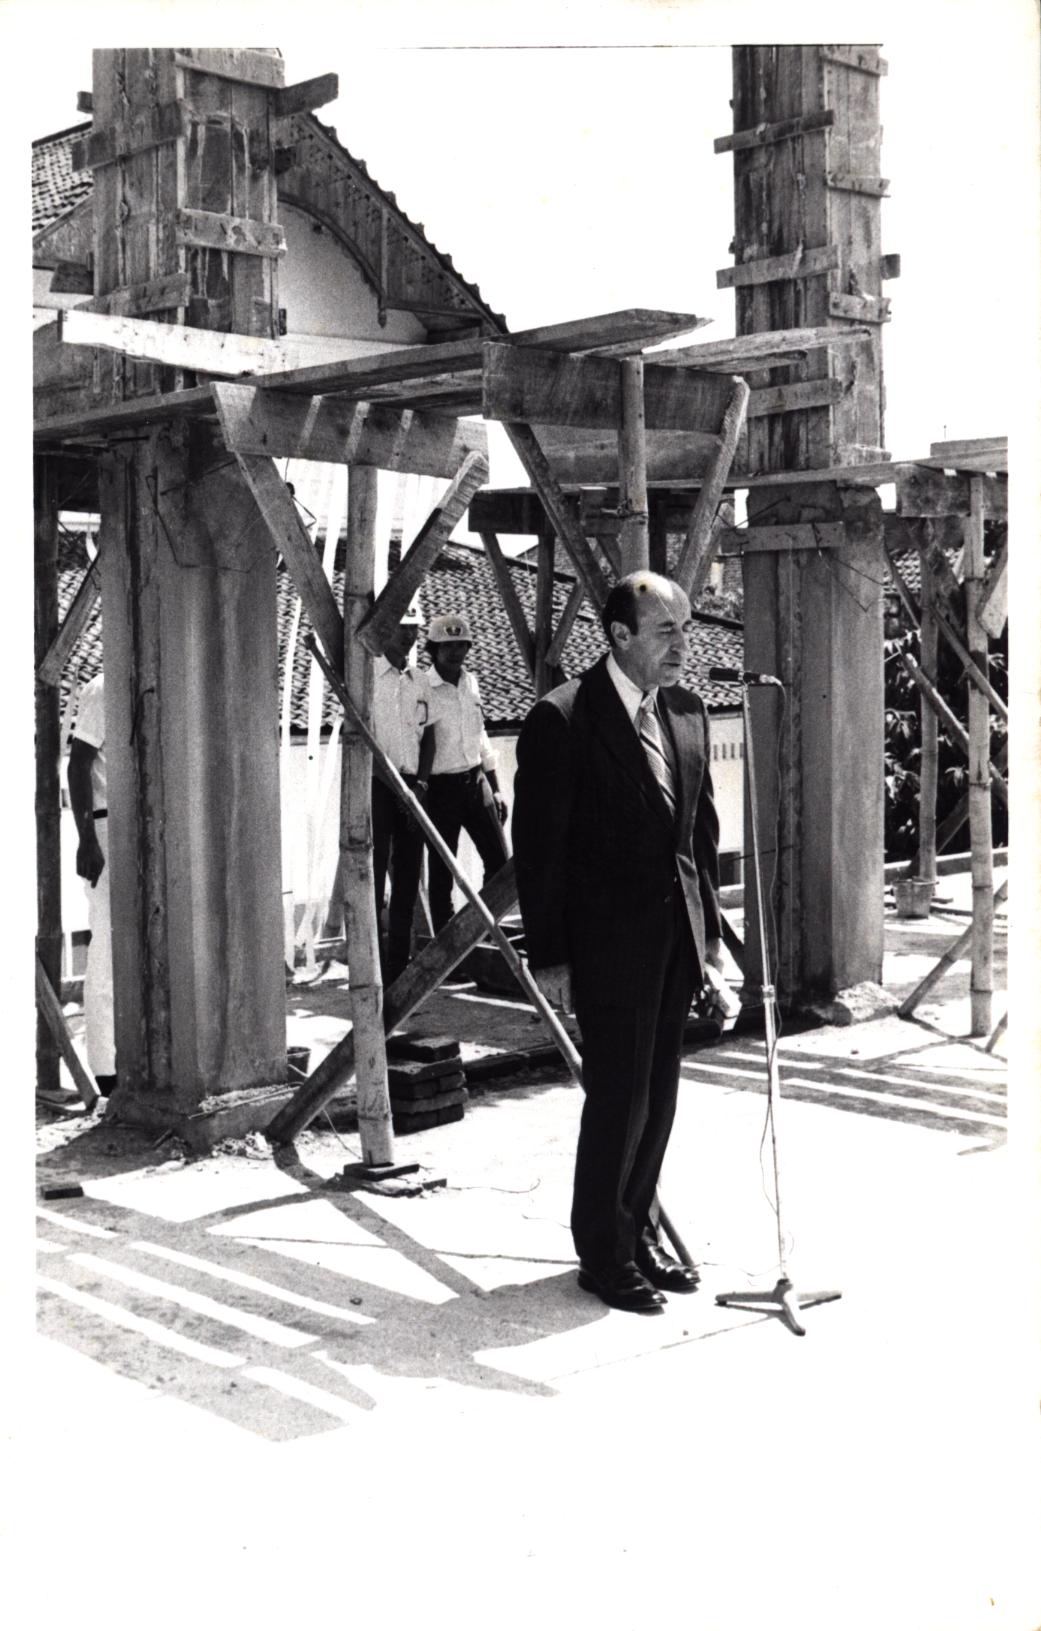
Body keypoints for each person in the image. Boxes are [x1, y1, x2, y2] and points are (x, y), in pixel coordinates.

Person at [512, 572, 724, 1315]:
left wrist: (711, 940)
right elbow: (539, 850)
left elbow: (699, 836)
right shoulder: (562, 718)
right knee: (618, 1099)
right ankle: (602, 1253)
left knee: (658, 1095)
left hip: (674, 941)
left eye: (685, 629)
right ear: (619, 635)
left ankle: (636, 1236)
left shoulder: (687, 713)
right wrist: (550, 957)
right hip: (605, 946)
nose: (681, 646)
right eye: (665, 631)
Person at [423, 612, 509, 935]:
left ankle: (481, 932)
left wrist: (496, 787)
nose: (455, 652)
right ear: (434, 649)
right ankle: (446, 945)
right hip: (440, 788)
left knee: (499, 862)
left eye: (461, 645)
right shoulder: (423, 686)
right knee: (443, 871)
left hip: (476, 781)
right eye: (448, 646)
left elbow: (481, 736)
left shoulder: (470, 683)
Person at [372, 610, 436, 983]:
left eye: (413, 629)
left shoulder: (420, 681)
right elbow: (362, 738)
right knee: (375, 872)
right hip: (379, 783)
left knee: (409, 876)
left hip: (413, 785)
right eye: (402, 628)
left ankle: (398, 964)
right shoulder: (370, 678)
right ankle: (373, 965)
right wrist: (396, 787)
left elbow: (429, 738)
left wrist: (421, 785)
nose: (408, 636)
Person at [66, 671, 117, 1098]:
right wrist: (86, 839)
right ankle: (105, 1068)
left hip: (140, 824)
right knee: (107, 947)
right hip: (104, 827)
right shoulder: (104, 686)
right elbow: (78, 762)